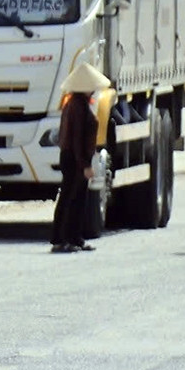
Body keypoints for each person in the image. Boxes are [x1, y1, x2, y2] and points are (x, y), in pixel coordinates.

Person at [51, 63, 107, 253]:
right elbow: (76, 139)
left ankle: (73, 237)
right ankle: (64, 238)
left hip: (71, 156)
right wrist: (84, 165)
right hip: (75, 158)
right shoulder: (78, 107)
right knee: (72, 198)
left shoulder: (75, 104)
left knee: (73, 197)